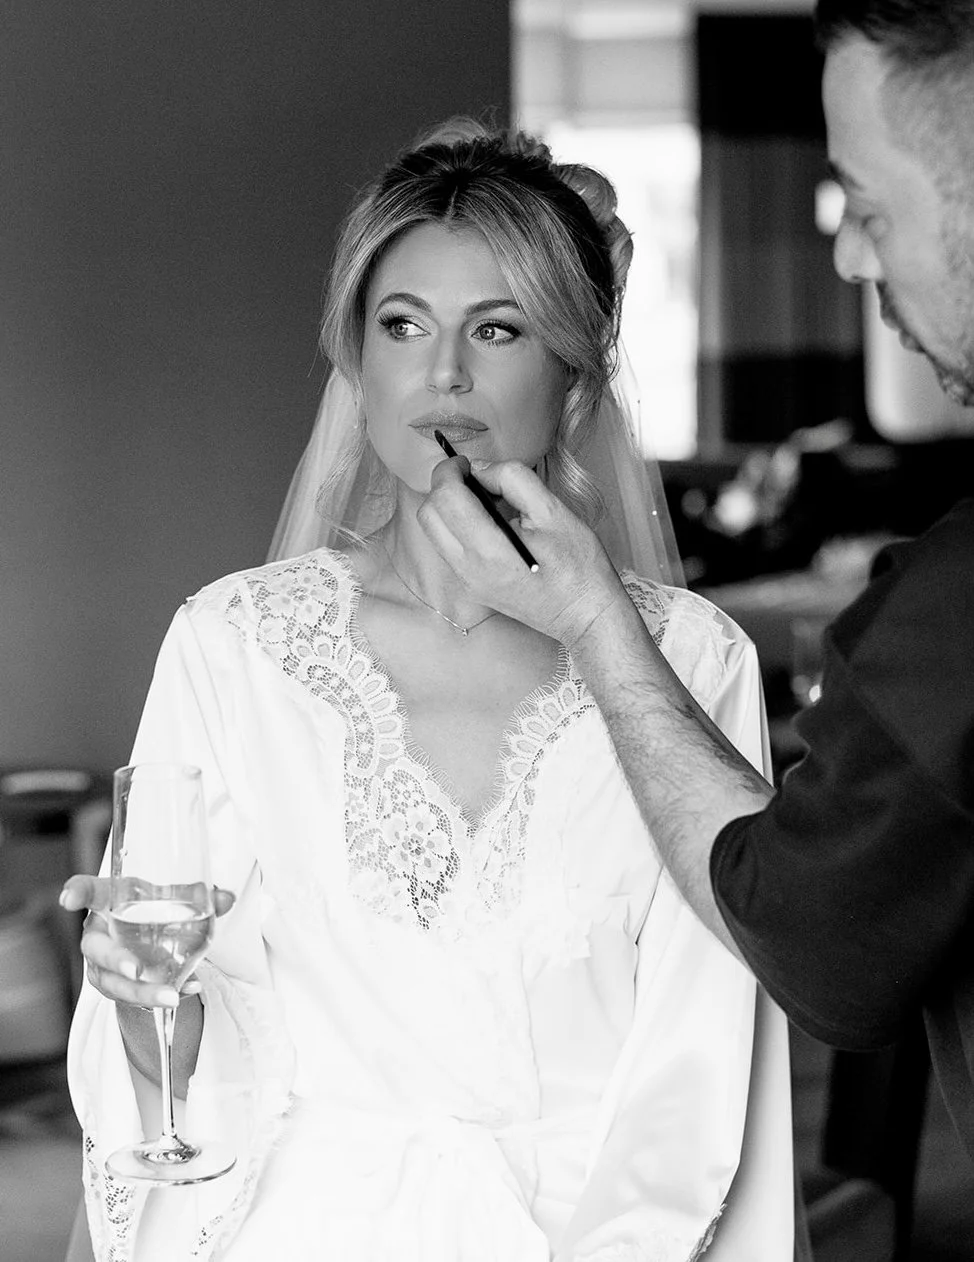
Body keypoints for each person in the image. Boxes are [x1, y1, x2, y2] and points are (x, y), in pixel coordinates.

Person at [60, 122, 797, 1260]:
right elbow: (187, 1077)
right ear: (358, 369)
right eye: (402, 326)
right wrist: (140, 1001)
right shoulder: (233, 646)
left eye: (496, 329)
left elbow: (696, 1071)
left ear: (574, 380)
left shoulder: (696, 662)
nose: (443, 372)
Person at [417, 0, 974, 1160]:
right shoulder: (237, 640)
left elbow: (812, 943)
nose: (844, 256)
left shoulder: (890, 620)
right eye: (402, 324)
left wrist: (592, 620)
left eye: (868, 207)